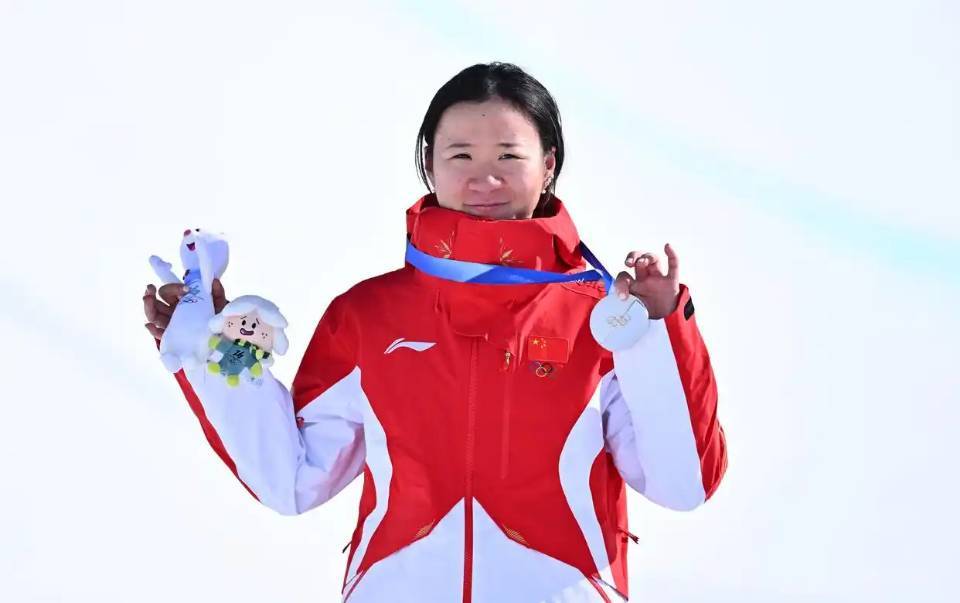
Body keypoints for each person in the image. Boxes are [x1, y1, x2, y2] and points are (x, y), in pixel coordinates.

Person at [142, 62, 727, 603]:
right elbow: (291, 480)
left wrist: (658, 330)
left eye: (509, 155)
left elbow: (683, 485)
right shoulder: (368, 316)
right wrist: (212, 352)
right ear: (430, 161)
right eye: (461, 155)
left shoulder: (601, 322)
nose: (485, 178)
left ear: (548, 163)